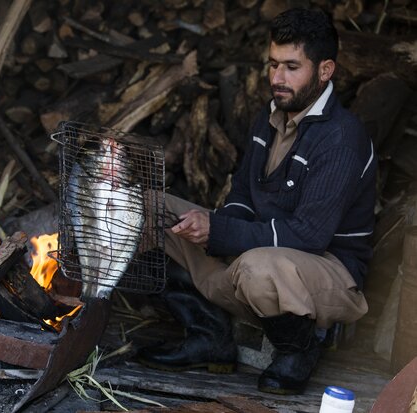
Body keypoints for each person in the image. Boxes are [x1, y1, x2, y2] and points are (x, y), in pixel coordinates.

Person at [138, 8, 376, 396]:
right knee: (146, 208)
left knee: (256, 268)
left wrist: (220, 232)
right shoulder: (270, 117)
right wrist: (213, 231)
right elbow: (244, 197)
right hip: (260, 253)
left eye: (291, 67)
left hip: (329, 273)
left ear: (325, 70)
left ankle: (296, 353)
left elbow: (309, 235)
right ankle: (209, 335)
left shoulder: (341, 138)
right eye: (272, 65)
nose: (277, 79)